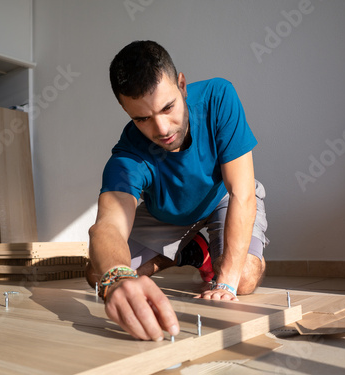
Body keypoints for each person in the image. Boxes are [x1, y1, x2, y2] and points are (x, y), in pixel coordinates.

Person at [86, 40, 269, 342]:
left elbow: (242, 193)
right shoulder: (128, 155)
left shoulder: (218, 97)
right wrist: (117, 279)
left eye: (168, 107)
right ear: (125, 109)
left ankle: (203, 254)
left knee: (244, 278)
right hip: (167, 215)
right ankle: (191, 251)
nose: (161, 129)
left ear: (182, 84)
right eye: (142, 118)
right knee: (97, 277)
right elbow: (107, 226)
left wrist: (224, 286)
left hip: (222, 197)